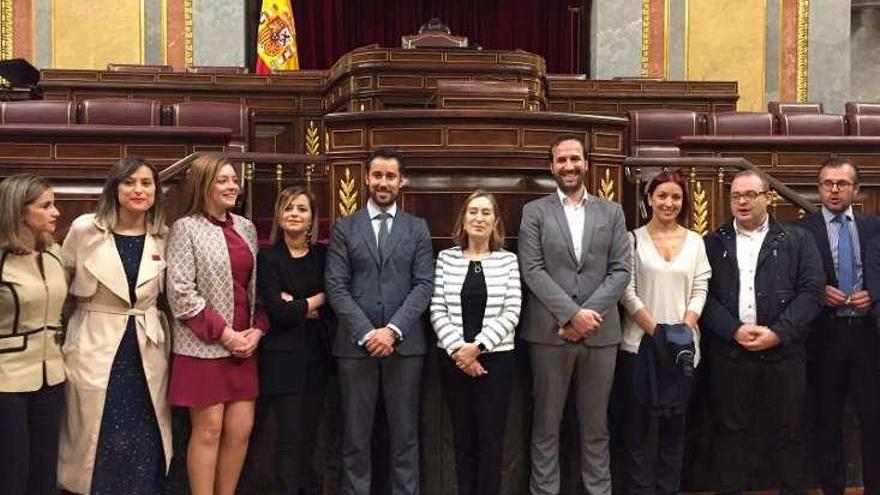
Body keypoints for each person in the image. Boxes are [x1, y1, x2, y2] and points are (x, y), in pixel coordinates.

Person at [518, 134, 630, 495]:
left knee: (596, 428)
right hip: (549, 334)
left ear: (586, 163)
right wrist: (569, 315)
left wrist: (587, 316)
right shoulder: (534, 211)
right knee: (546, 426)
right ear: (551, 166)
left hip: (601, 336)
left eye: (574, 159)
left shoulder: (611, 211)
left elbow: (621, 271)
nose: (568, 166)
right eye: (561, 160)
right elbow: (532, 269)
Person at [700, 170, 823, 495]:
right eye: (735, 195)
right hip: (731, 354)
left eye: (750, 194)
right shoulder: (712, 243)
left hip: (784, 354)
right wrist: (734, 330)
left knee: (789, 433)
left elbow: (812, 293)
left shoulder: (798, 240)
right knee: (731, 433)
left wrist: (778, 333)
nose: (741, 201)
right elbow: (703, 297)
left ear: (769, 197)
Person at [58, 158, 171, 494]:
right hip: (94, 341)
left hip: (145, 348)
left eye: (147, 183)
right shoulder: (84, 229)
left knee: (143, 433)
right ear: (114, 188)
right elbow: (61, 286)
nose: (138, 190)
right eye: (129, 182)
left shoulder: (163, 235)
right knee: (97, 433)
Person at [325, 147, 434, 495]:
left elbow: (424, 285)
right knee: (356, 438)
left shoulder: (417, 228)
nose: (383, 182)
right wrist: (369, 333)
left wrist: (392, 331)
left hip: (405, 346)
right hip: (356, 347)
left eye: (390, 176)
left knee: (405, 437)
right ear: (367, 178)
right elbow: (336, 286)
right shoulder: (345, 227)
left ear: (401, 181)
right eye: (377, 175)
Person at [166, 153, 268, 495]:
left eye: (234, 180)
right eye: (223, 180)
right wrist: (225, 335)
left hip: (244, 345)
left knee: (241, 429)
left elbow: (257, 287)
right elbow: (180, 293)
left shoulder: (246, 227)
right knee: (208, 428)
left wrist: (257, 330)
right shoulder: (186, 227)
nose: (232, 186)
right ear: (204, 184)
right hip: (205, 345)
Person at [618, 170, 711, 495]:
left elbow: (700, 288)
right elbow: (626, 292)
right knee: (638, 431)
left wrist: (682, 331)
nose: (668, 202)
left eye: (675, 197)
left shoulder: (696, 241)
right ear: (649, 199)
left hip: (683, 351)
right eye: (662, 196)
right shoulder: (632, 239)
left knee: (675, 430)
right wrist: (658, 333)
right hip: (639, 346)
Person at [796, 158, 880, 495]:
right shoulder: (803, 230)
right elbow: (794, 281)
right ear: (818, 189)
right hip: (824, 336)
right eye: (827, 183)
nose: (834, 190)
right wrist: (817, 293)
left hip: (867, 336)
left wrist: (874, 295)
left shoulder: (873, 226)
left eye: (842, 183)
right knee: (826, 420)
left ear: (856, 189)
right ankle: (832, 488)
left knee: (873, 420)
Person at [430, 190, 522, 495]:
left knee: (491, 440)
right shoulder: (446, 258)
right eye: (473, 212)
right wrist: (460, 350)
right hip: (454, 360)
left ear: (495, 221)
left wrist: (476, 348)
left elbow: (512, 311)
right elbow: (437, 308)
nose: (479, 218)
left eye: (485, 213)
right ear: (463, 219)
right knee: (462, 439)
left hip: (496, 361)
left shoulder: (508, 261)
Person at [256, 186, 333, 495]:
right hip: (281, 359)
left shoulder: (323, 256)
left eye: (302, 209)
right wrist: (317, 299)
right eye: (288, 208)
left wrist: (297, 304)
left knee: (310, 437)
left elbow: (333, 304)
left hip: (317, 357)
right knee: (288, 436)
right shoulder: (269, 258)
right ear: (279, 215)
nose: (295, 214)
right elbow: (278, 311)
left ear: (312, 218)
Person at [0, 175, 66, 495]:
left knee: (45, 476)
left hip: (51, 378)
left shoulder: (55, 254)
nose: (56, 212)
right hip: (6, 382)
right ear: (18, 211)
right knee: (12, 474)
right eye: (46, 206)